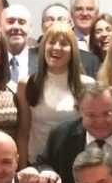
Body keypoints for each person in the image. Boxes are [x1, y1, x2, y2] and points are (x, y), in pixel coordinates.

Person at [29, 83, 112, 183]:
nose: (100, 121)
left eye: (107, 113)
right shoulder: (62, 134)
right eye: (91, 115)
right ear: (81, 113)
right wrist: (48, 173)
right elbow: (42, 164)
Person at [16, 22, 94, 165]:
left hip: (75, 164)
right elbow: (23, 132)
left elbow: (93, 131)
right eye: (51, 42)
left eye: (63, 44)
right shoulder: (27, 84)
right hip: (37, 164)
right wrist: (23, 169)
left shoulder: (87, 85)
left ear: (73, 51)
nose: (56, 48)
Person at [0, 4, 36, 84]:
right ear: (0, 27)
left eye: (22, 22)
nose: (16, 27)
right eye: (10, 22)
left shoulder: (43, 62)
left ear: (30, 28)